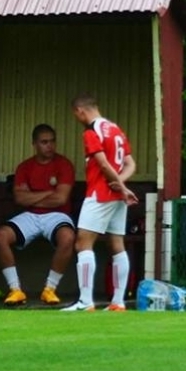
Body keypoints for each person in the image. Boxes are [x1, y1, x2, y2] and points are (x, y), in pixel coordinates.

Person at [62, 94, 138, 312]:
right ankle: (118, 301)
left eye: (75, 115)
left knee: (83, 243)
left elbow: (103, 164)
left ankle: (85, 302)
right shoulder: (115, 129)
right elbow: (131, 164)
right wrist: (121, 185)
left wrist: (119, 186)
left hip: (100, 193)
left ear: (80, 111)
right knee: (116, 245)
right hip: (116, 196)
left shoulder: (91, 132)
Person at [0, 124, 76, 306]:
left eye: (52, 141)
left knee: (68, 237)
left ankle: (49, 290)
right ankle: (15, 290)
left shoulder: (64, 164)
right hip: (30, 215)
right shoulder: (25, 167)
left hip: (57, 215)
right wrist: (49, 192)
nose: (50, 146)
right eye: (44, 142)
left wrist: (33, 196)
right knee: (0, 236)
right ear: (34, 144)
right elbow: (20, 199)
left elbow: (61, 199)